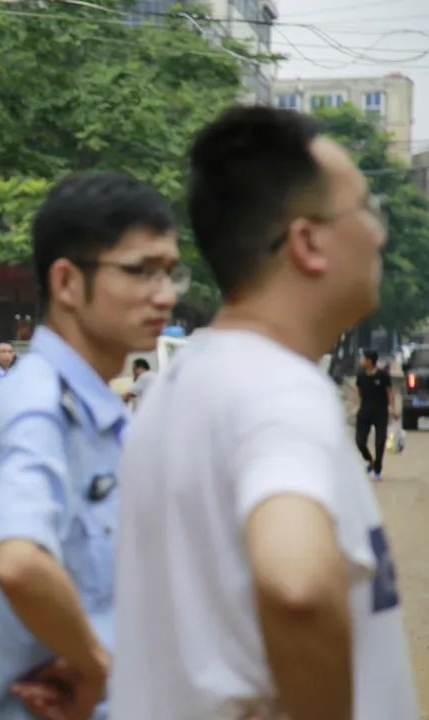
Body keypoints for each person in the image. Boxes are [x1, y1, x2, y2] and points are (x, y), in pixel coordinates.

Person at [111, 106, 418, 719]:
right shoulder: (278, 391)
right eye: (368, 212)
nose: (379, 235)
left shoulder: (182, 387)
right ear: (307, 242)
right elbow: (297, 585)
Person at [0, 173, 183, 720]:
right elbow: (18, 560)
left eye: (171, 272)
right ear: (67, 283)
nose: (165, 293)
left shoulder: (91, 408)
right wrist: (99, 663)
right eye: (140, 270)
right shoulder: (41, 408)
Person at [356, 349, 395, 481]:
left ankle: (378, 468)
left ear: (370, 361)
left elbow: (389, 392)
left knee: (380, 442)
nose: (361, 361)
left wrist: (393, 409)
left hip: (380, 413)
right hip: (364, 413)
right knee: (360, 442)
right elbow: (360, 392)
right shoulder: (361, 376)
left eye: (363, 359)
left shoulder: (383, 375)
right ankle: (370, 461)